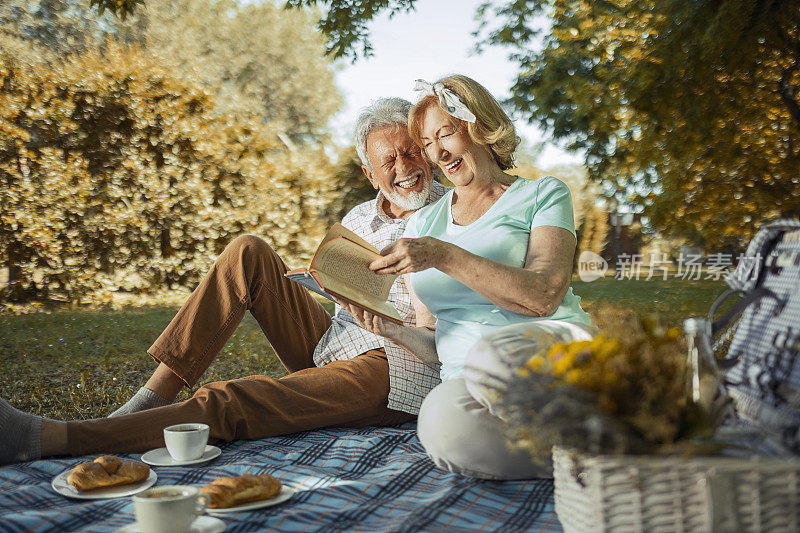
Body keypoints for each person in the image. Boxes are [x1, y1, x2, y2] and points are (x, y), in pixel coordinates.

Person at [0, 97, 447, 465]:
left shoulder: (450, 212)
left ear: (426, 154)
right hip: (335, 345)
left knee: (229, 400)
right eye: (387, 159)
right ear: (370, 173)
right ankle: (153, 396)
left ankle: (55, 439)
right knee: (246, 251)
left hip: (395, 368)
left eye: (410, 151)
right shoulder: (359, 217)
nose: (403, 166)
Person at [337, 75, 594, 480]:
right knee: (439, 425)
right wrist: (392, 329)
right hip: (473, 383)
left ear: (478, 126)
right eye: (427, 144)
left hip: (547, 353)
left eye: (446, 133)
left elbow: (542, 295)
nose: (437, 153)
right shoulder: (423, 222)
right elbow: (439, 339)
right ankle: (589, 451)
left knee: (491, 354)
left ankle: (587, 423)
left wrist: (442, 254)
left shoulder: (543, 194)